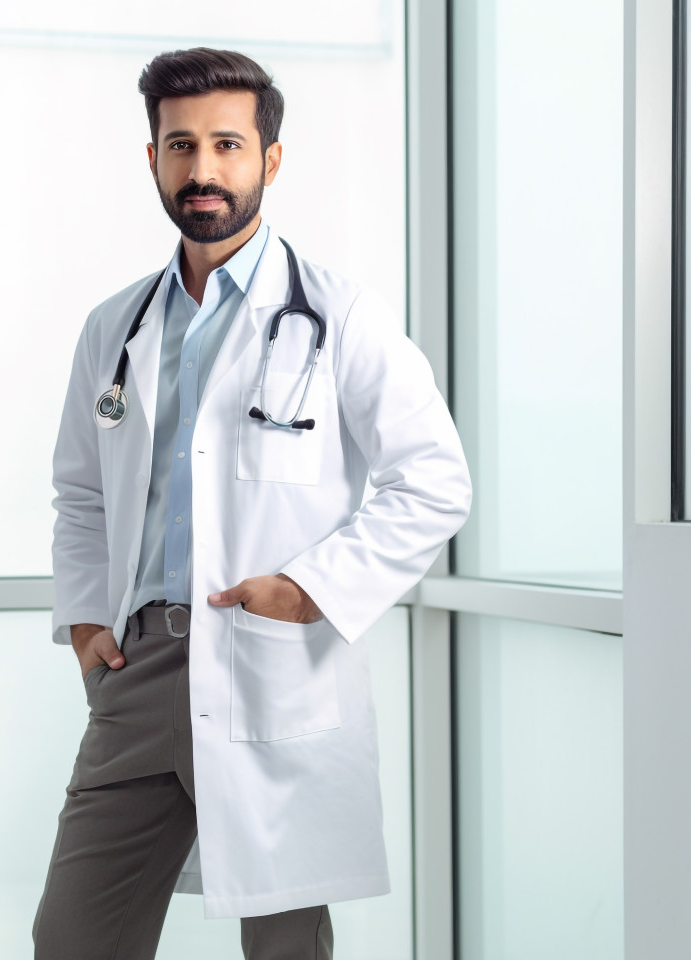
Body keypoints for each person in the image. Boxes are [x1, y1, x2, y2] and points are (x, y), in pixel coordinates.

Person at [33, 47, 471, 960]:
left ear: (270, 159)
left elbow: (434, 480)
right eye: (180, 144)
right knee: (75, 938)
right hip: (139, 668)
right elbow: (81, 494)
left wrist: (312, 588)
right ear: (151, 157)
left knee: (285, 946)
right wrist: (85, 625)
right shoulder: (114, 328)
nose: (203, 169)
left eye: (227, 144)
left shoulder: (340, 315)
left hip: (270, 663)